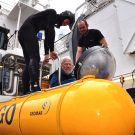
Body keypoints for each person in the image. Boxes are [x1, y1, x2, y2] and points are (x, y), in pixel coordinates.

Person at [18, 9, 75, 94]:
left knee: (28, 62)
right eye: (68, 21)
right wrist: (51, 51)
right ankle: (35, 86)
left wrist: (46, 55)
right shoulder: (52, 13)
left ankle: (25, 90)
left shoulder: (49, 23)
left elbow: (48, 37)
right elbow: (49, 32)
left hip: (22, 33)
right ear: (64, 16)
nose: (66, 24)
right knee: (35, 57)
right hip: (28, 30)